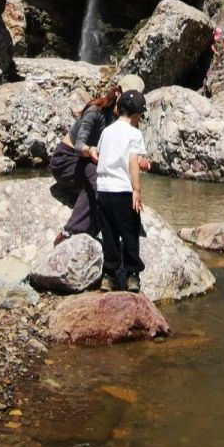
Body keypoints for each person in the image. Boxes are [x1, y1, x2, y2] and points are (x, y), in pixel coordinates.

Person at [49, 73, 144, 243]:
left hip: (90, 163)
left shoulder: (129, 119)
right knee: (99, 178)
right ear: (117, 93)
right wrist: (89, 150)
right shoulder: (96, 111)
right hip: (67, 160)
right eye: (127, 97)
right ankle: (69, 232)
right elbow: (79, 144)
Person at [96, 88, 148, 292]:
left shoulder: (107, 131)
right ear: (136, 114)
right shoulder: (134, 134)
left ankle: (108, 275)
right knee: (130, 232)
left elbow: (101, 154)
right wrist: (137, 190)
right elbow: (133, 163)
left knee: (109, 234)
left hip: (104, 190)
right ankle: (132, 275)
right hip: (123, 191)